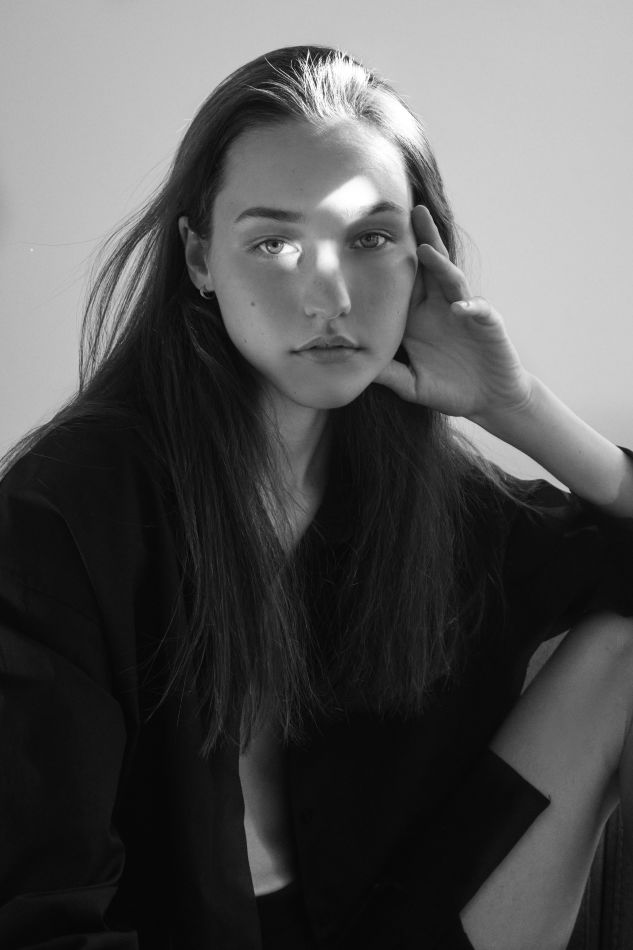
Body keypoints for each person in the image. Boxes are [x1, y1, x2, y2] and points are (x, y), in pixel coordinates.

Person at [0, 44, 631, 950]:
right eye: (274, 243)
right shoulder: (67, 513)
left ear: (422, 260)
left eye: (369, 239)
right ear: (199, 259)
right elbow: (42, 912)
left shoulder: (422, 496)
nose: (327, 296)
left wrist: (514, 405)